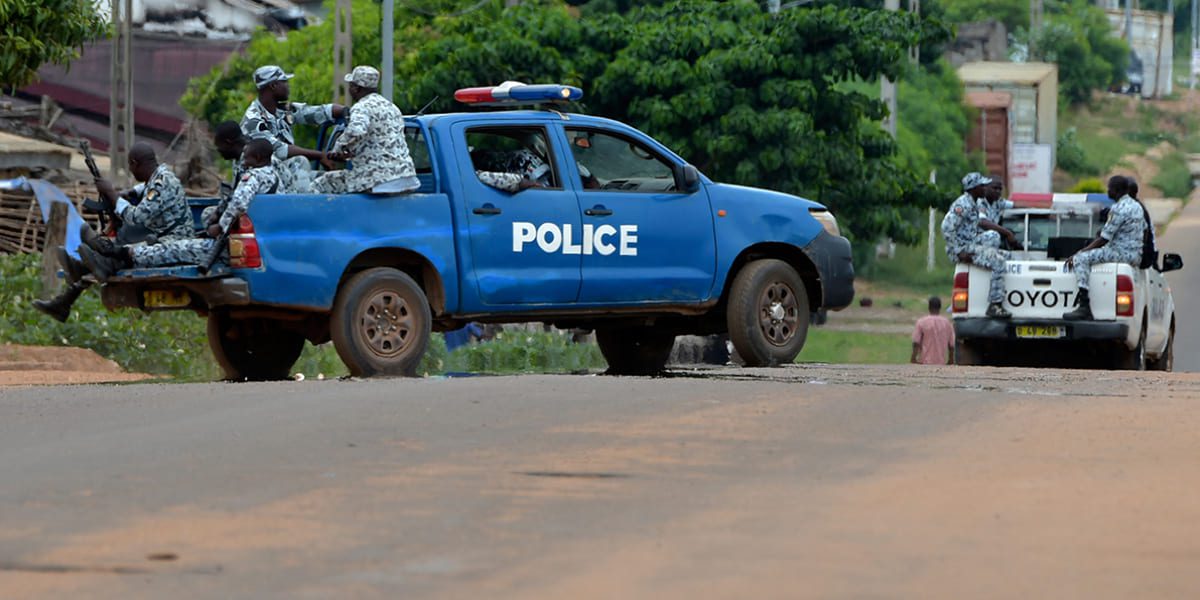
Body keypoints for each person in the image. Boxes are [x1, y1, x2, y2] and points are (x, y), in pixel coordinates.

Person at [32, 142, 191, 322]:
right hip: (158, 235)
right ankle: (73, 287)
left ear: (134, 163)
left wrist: (112, 194)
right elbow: (141, 190)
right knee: (114, 254)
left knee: (120, 249)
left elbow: (136, 216)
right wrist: (123, 195)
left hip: (174, 241)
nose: (130, 171)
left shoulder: (162, 183)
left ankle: (82, 273)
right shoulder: (157, 178)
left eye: (130, 166)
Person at [80, 139, 280, 279]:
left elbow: (238, 203)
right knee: (173, 243)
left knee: (172, 249)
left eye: (248, 158)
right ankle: (100, 260)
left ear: (260, 157)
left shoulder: (253, 177)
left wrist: (220, 227)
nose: (244, 162)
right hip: (229, 240)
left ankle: (114, 253)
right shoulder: (272, 174)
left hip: (217, 242)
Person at [312, 65, 418, 194]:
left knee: (323, 182)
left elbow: (356, 131)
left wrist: (337, 149)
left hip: (379, 179)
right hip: (407, 176)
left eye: (350, 85)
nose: (349, 89)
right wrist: (350, 152)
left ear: (356, 88)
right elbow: (378, 143)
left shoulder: (361, 107)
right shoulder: (392, 107)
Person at [241, 65, 344, 190]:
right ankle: (302, 208)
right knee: (300, 162)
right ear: (273, 86)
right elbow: (281, 151)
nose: (288, 86)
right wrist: (321, 155)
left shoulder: (281, 110)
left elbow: (316, 112)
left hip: (286, 176)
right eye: (284, 82)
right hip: (263, 181)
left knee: (337, 180)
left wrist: (347, 111)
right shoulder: (253, 120)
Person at [1062, 175, 1146, 320]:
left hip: (1121, 253)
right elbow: (1145, 232)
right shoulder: (1137, 206)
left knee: (1081, 259)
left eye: (1109, 188)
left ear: (1116, 190)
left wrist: (1080, 252)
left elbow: (1103, 239)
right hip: (1135, 255)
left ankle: (1084, 307)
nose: (1108, 191)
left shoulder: (1118, 208)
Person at [942, 172, 1012, 318]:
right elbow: (946, 227)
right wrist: (958, 252)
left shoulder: (973, 202)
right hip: (963, 248)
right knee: (998, 261)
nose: (985, 188)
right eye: (982, 185)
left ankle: (992, 282)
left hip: (971, 242)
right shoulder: (963, 204)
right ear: (973, 188)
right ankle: (995, 304)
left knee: (1005, 253)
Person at [911, 296, 955, 365]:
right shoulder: (947, 323)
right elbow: (951, 345)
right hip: (941, 363)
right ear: (940, 307)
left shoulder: (921, 322)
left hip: (924, 362)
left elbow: (916, 342)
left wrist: (913, 358)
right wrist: (951, 360)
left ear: (929, 307)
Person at [979, 180, 1019, 250]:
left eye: (1000, 189)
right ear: (986, 188)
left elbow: (1015, 206)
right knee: (993, 235)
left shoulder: (998, 202)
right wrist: (1007, 233)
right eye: (995, 188)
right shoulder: (980, 202)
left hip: (992, 243)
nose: (998, 191)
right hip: (978, 241)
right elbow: (982, 222)